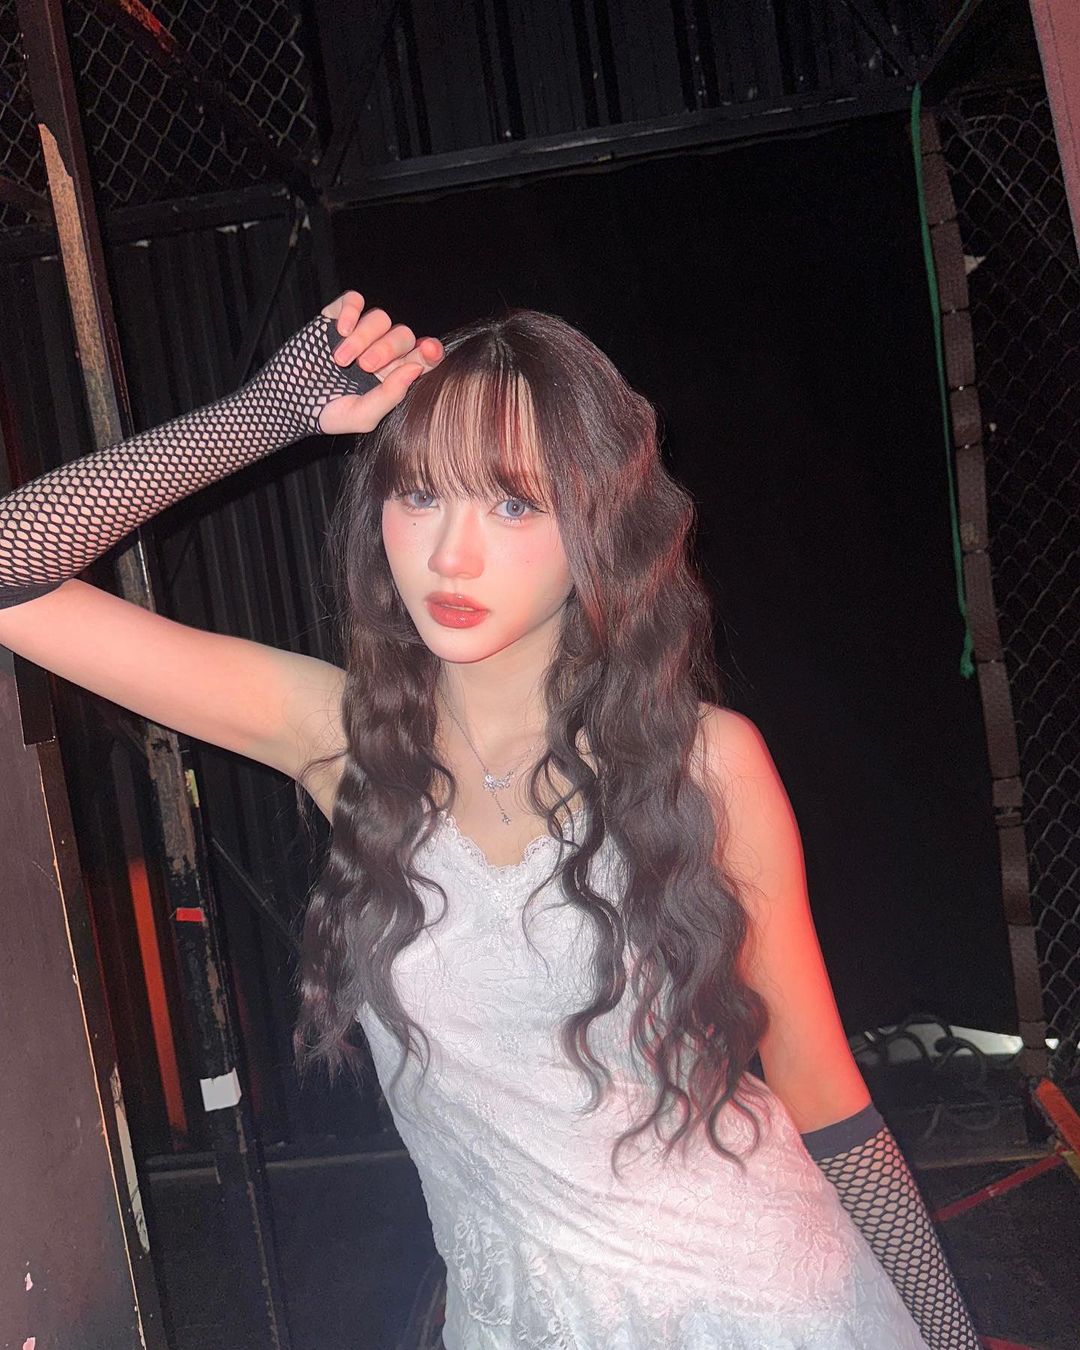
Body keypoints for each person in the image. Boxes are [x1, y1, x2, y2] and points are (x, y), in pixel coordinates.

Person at [0, 291, 981, 1349]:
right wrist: (266, 414)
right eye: (420, 494)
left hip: (755, 1300)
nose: (451, 557)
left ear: (598, 526)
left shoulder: (702, 761)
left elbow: (821, 1088)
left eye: (514, 505)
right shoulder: (339, 739)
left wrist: (949, 1333)